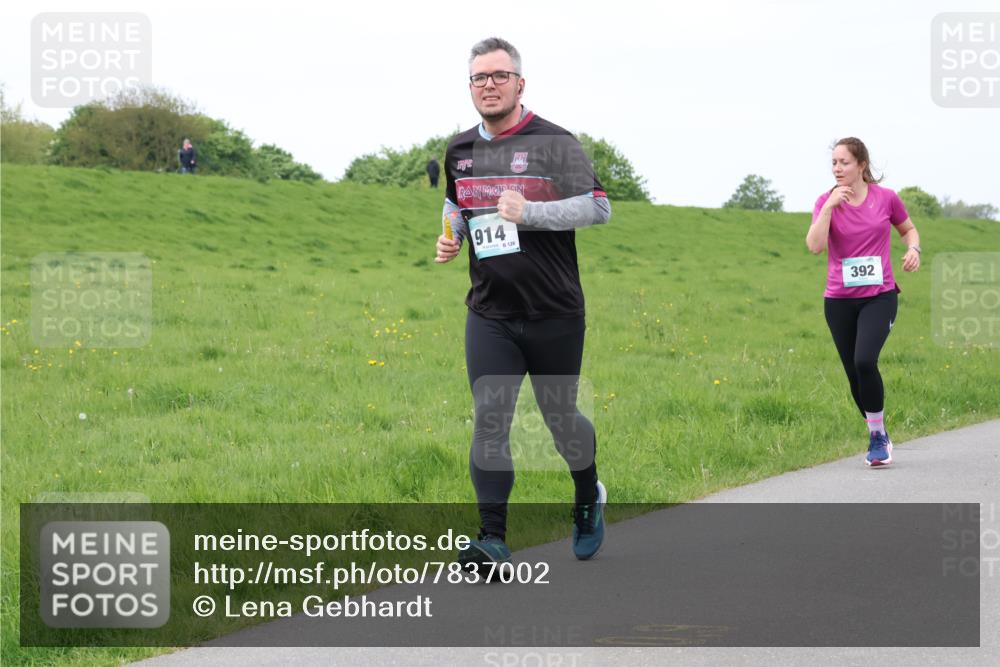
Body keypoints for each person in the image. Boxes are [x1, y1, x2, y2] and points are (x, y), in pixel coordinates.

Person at [434, 37, 612, 569]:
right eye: (478, 78)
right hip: (490, 310)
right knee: (491, 417)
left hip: (554, 310)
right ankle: (492, 538)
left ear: (519, 83)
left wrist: (531, 211)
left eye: (497, 76)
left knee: (560, 420)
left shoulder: (557, 143)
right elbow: (455, 201)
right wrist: (451, 236)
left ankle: (587, 495)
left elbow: (599, 207)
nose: (488, 86)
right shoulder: (459, 150)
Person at [806, 137, 921, 467]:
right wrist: (828, 207)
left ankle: (875, 439)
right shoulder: (824, 201)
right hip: (839, 301)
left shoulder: (886, 199)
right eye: (834, 163)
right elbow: (814, 246)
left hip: (879, 296)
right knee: (854, 373)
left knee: (864, 361)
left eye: (844, 162)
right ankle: (879, 431)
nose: (837, 169)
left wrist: (913, 249)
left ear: (861, 165)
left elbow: (908, 230)